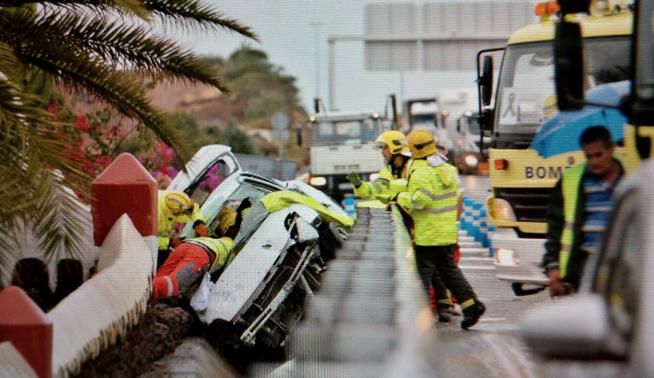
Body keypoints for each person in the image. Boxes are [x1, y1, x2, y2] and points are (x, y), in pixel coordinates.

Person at [395, 129, 485, 329]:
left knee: (423, 273)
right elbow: (455, 198)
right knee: (449, 271)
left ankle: (420, 316)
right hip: (446, 232)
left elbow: (421, 201)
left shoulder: (420, 171)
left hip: (427, 233)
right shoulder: (447, 167)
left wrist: (400, 197)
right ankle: (471, 305)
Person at [543, 126, 624, 296]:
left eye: (598, 155)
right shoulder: (572, 180)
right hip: (586, 265)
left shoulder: (630, 177)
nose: (594, 161)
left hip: (621, 267)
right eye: (589, 156)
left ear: (611, 149)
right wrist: (552, 265)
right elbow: (555, 225)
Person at [153, 208, 240, 300]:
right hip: (200, 255)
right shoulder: (234, 246)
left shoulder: (215, 240)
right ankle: (138, 295)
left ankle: (142, 294)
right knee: (171, 285)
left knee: (160, 278)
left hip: (186, 245)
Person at [346, 130, 411, 200]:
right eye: (381, 148)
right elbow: (374, 190)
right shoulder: (387, 171)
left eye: (385, 148)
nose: (382, 152)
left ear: (395, 148)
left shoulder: (413, 168)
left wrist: (391, 185)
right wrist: (359, 185)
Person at [157, 190, 205, 269]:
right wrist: (169, 242)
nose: (185, 214)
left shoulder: (176, 197)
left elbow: (193, 208)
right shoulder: (155, 214)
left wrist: (198, 222)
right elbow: (145, 239)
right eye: (182, 213)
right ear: (174, 212)